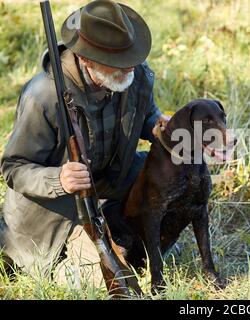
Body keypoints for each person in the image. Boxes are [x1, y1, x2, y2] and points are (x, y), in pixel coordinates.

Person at [0, 0, 170, 287]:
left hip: (109, 186)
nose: (130, 67)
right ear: (87, 59)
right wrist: (59, 179)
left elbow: (144, 113)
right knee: (94, 281)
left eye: (130, 55)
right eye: (118, 61)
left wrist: (157, 124)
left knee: (167, 181)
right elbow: (14, 168)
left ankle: (124, 234)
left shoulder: (133, 74)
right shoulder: (43, 96)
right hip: (58, 211)